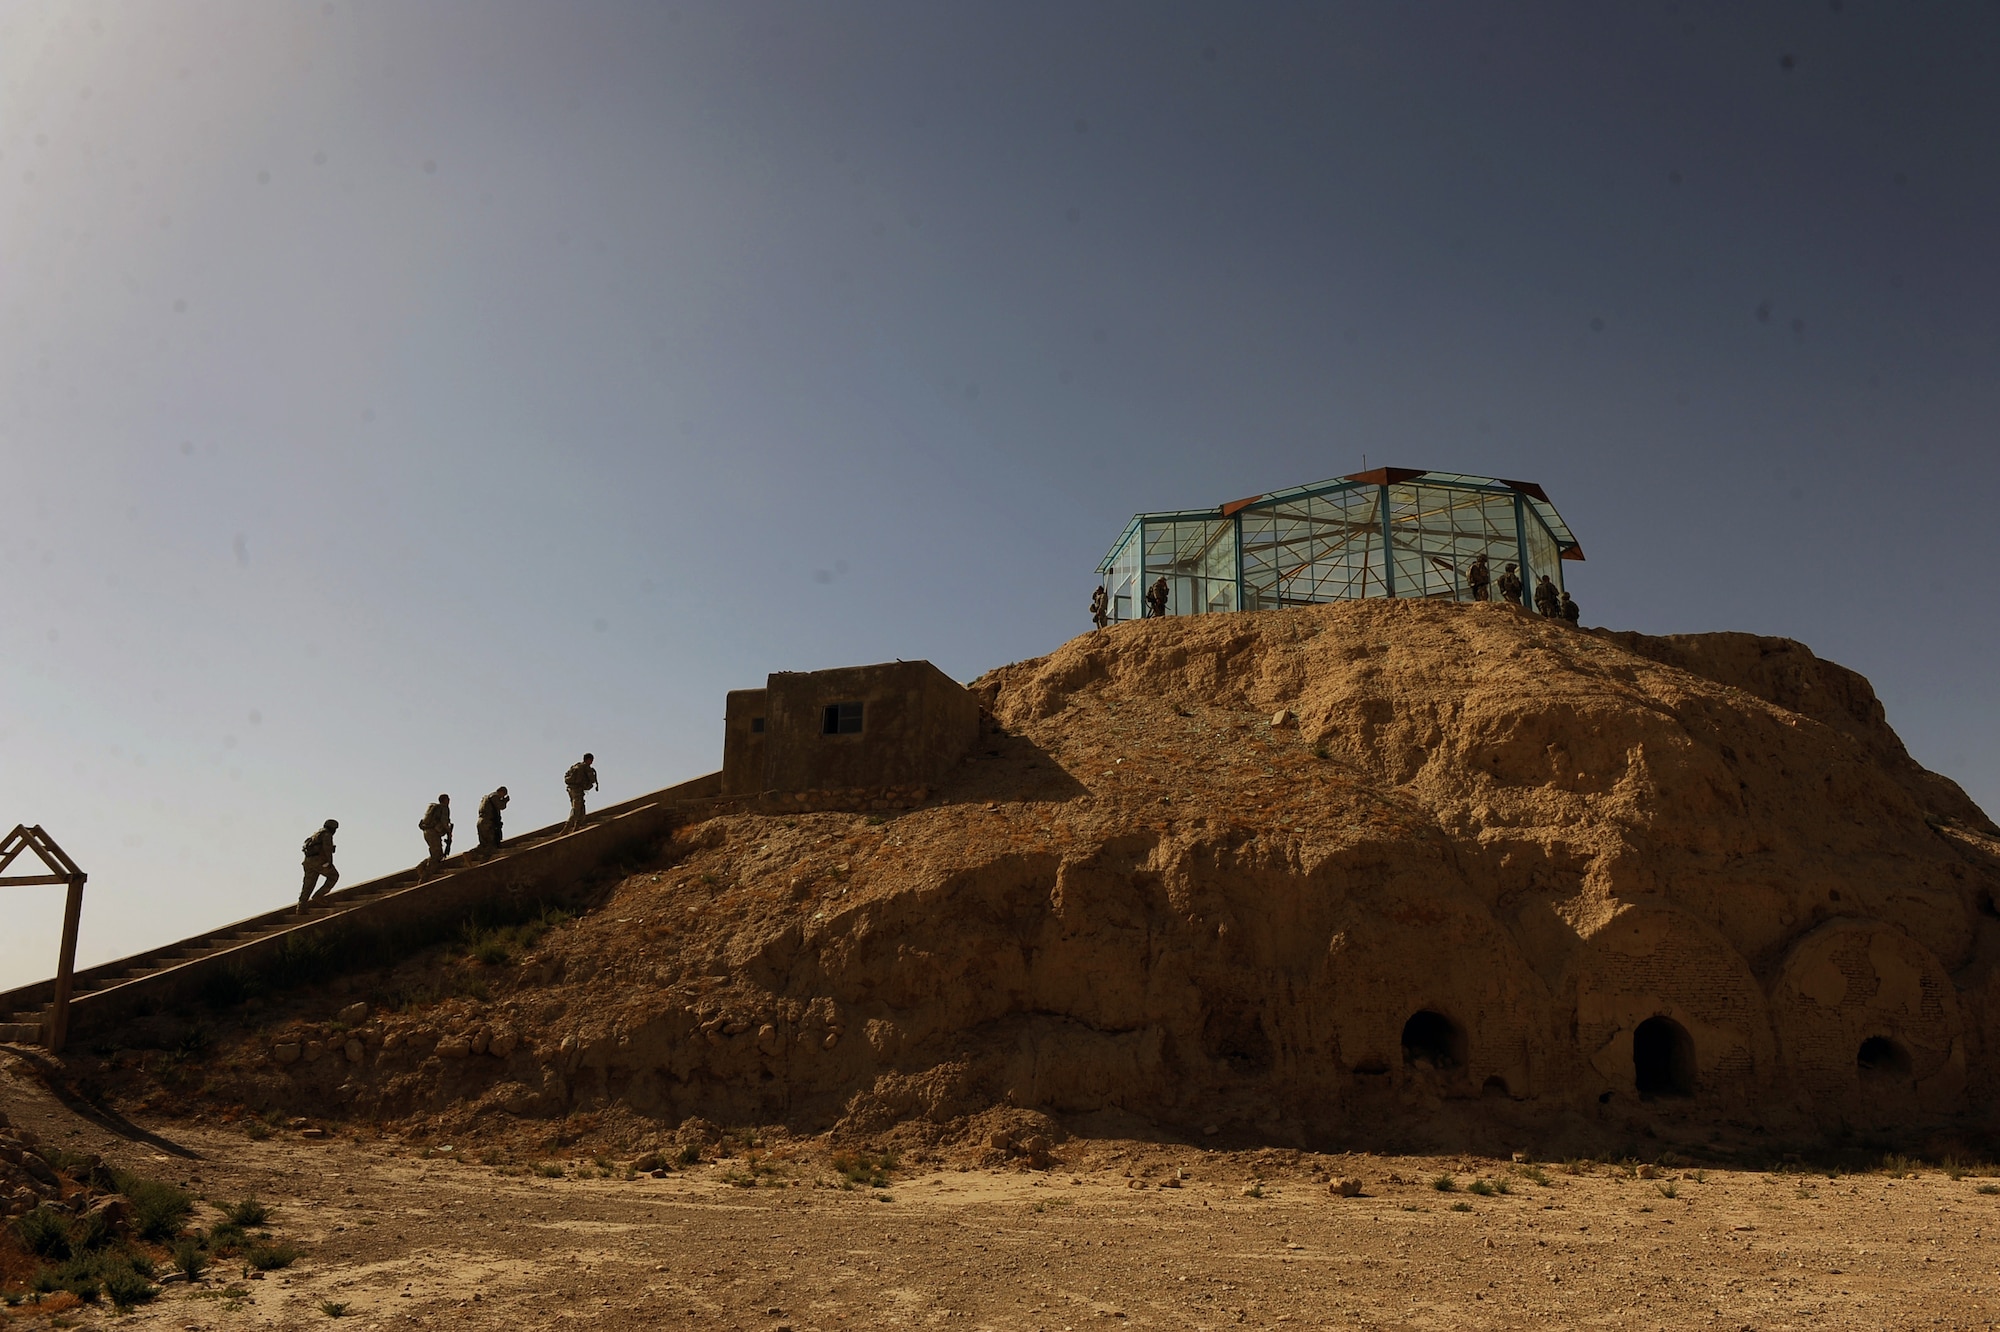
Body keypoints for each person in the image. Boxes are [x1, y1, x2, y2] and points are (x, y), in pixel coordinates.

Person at [298, 818, 339, 909]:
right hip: (319, 861)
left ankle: (301, 906)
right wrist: (329, 862)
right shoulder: (327, 835)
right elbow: (327, 849)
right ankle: (319, 895)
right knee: (334, 876)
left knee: (308, 885)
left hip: (308, 862)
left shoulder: (316, 835)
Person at [416, 793, 452, 882]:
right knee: (437, 856)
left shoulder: (435, 808)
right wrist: (449, 832)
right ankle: (425, 877)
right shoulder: (444, 808)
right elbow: (444, 822)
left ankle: (422, 866)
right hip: (433, 833)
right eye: (448, 799)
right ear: (445, 800)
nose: (449, 801)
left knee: (436, 853)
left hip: (426, 831)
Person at [563, 753, 599, 832]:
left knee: (581, 809)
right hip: (577, 791)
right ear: (588, 759)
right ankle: (567, 828)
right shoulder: (585, 768)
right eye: (591, 760)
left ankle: (576, 827)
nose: (592, 762)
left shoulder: (576, 766)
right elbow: (591, 780)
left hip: (571, 790)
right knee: (576, 809)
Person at [476, 786, 509, 858]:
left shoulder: (487, 798)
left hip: (482, 821)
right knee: (491, 844)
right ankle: (484, 861)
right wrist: (505, 801)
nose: (502, 797)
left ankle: (472, 854)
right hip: (487, 822)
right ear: (501, 791)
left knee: (484, 844)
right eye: (503, 794)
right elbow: (501, 806)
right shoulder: (494, 797)